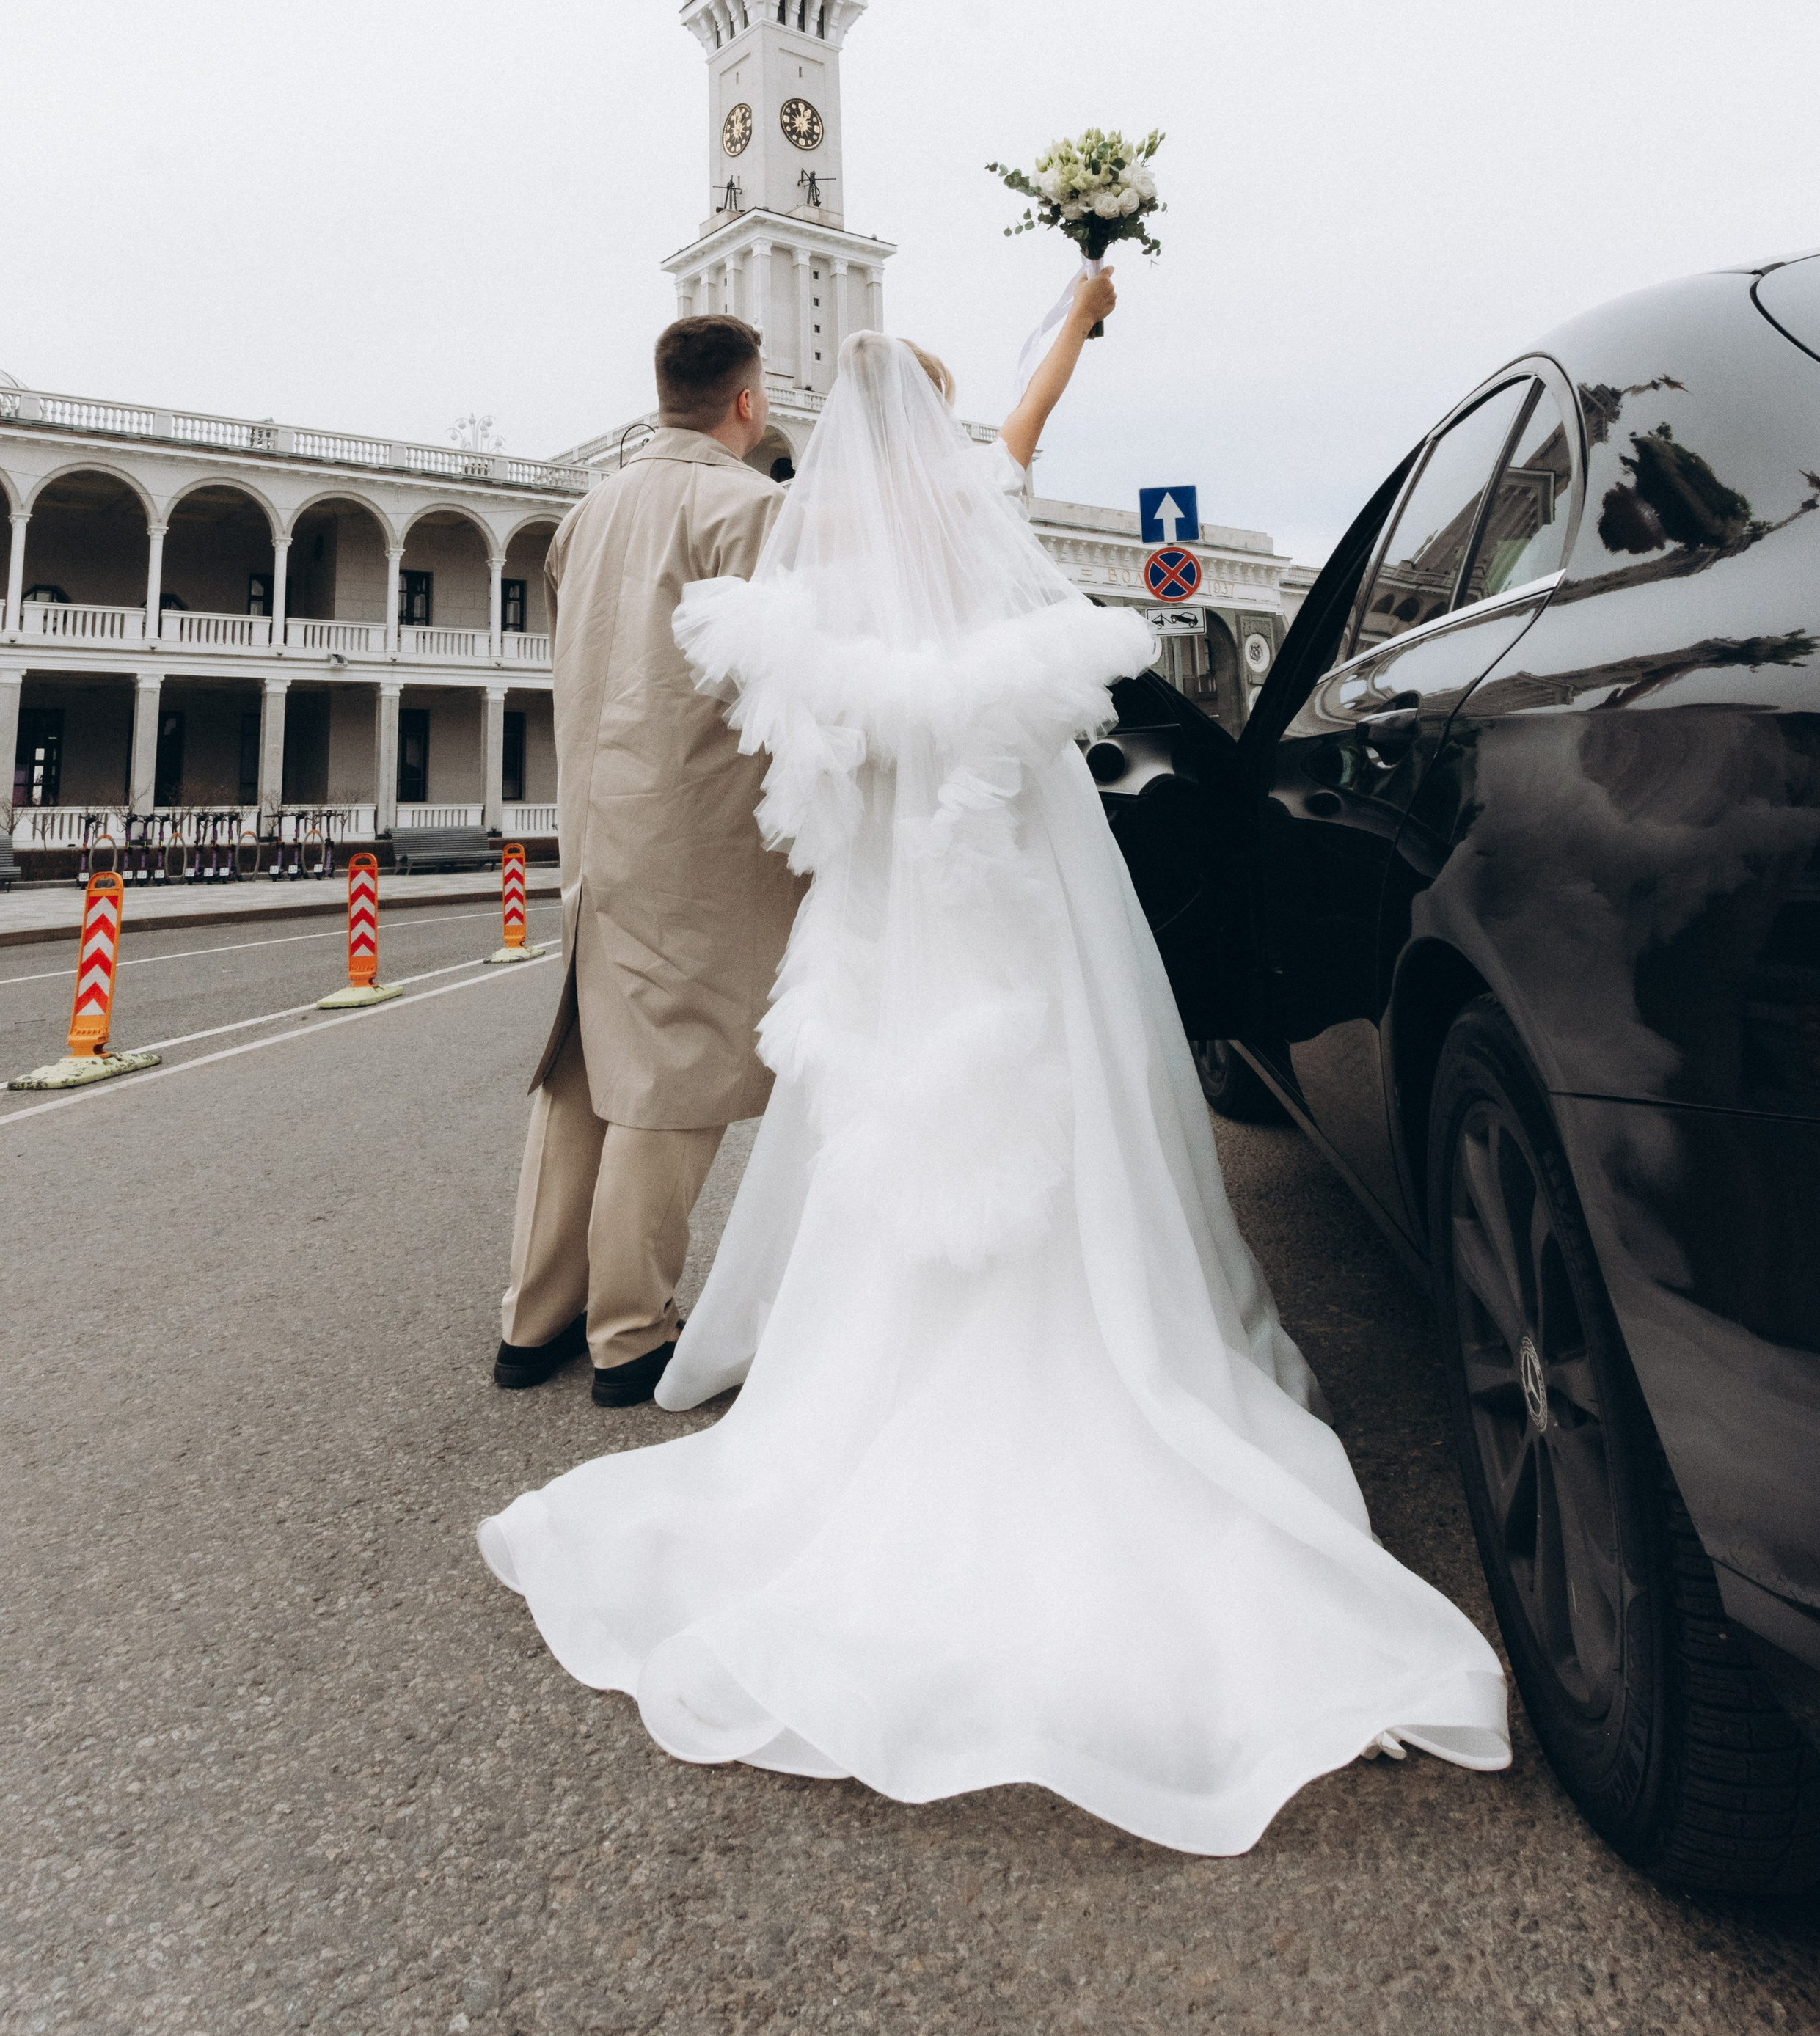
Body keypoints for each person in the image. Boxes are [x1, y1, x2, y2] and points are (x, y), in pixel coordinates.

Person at [479, 271, 1510, 1854]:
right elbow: (1020, 421)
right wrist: (1079, 307)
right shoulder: (969, 514)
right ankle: (1050, 1333)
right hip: (1014, 902)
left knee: (841, 1123)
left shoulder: (799, 544)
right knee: (1055, 1098)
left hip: (876, 917)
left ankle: (660, 1337)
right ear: (937, 437)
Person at [491, 312, 798, 1410]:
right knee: (673, 1070)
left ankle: (535, 1319)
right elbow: (777, 677)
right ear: (747, 401)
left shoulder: (586, 515)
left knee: (584, 1062)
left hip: (594, 815)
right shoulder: (750, 507)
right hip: (697, 826)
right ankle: (629, 1330)